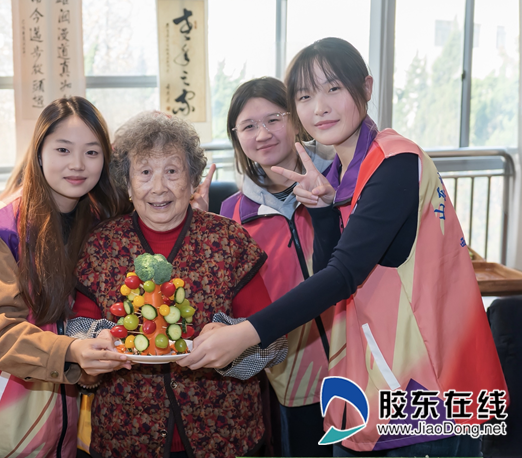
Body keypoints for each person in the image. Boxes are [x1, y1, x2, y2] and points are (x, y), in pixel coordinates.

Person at [179, 38, 508, 457]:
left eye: (333, 88)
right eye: (305, 96)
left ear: (366, 88)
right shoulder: (341, 173)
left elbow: (343, 275)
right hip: (369, 389)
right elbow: (331, 273)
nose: (320, 107)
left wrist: (246, 334)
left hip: (428, 392)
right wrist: (322, 210)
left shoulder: (395, 162)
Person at [71, 111, 287, 458]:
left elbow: (273, 341)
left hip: (224, 434)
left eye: (172, 171)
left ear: (192, 181)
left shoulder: (227, 239)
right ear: (127, 184)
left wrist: (232, 347)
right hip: (126, 437)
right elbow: (77, 328)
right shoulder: (102, 244)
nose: (159, 187)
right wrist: (93, 347)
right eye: (145, 173)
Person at [0, 96, 131, 458]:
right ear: (39, 153)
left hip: (66, 411)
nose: (77, 164)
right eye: (63, 150)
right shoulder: (1, 226)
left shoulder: (99, 219)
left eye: (92, 152)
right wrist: (70, 351)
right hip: (0, 413)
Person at [219, 76, 335, 457]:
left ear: (296, 120)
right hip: (296, 379)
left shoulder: (339, 181)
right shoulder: (233, 213)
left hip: (365, 366)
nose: (263, 134)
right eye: (249, 126)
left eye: (273, 119)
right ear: (237, 138)